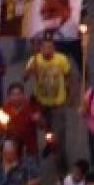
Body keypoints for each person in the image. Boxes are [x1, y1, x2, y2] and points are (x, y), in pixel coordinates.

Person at [24, 36, 72, 175]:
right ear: (40, 49)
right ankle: (50, 144)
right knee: (47, 129)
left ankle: (62, 164)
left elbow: (68, 75)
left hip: (58, 104)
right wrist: (30, 69)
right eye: (44, 47)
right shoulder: (34, 60)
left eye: (50, 47)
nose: (47, 50)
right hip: (41, 104)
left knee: (59, 135)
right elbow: (25, 78)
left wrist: (70, 94)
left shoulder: (61, 60)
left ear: (54, 48)